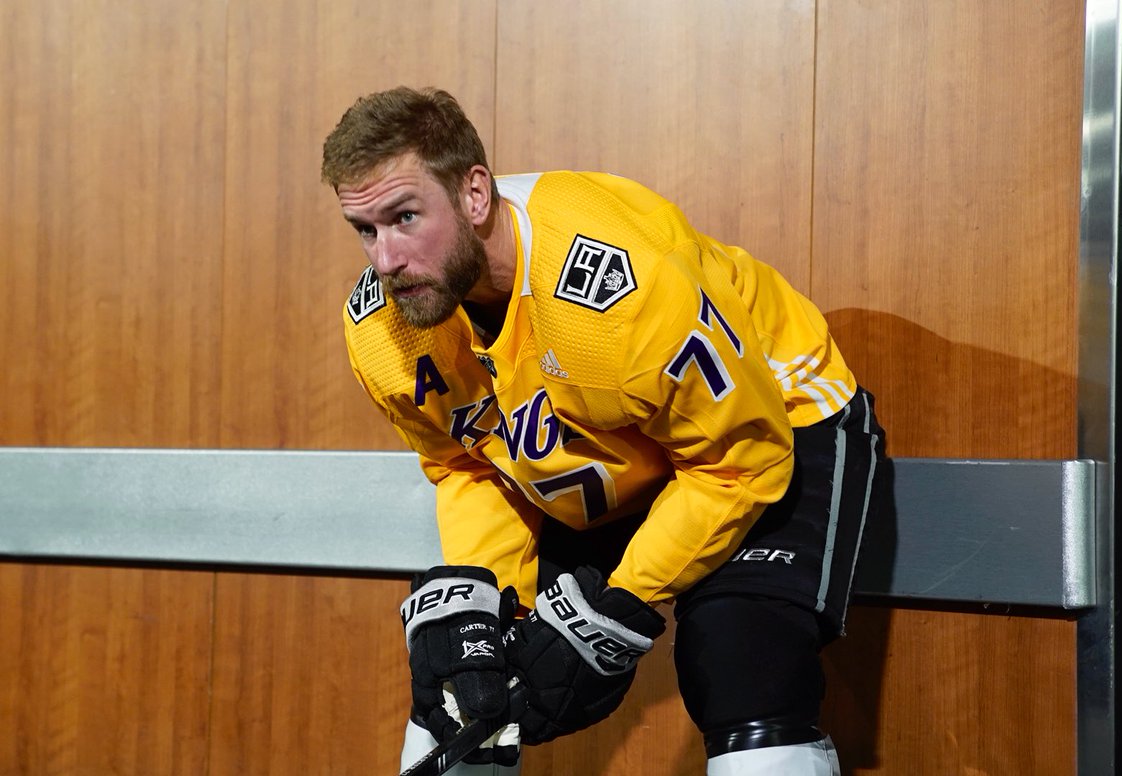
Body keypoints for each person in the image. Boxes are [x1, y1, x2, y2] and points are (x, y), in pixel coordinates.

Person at [321, 86, 884, 776]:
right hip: (608, 452)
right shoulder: (385, 330)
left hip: (766, 421)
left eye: (405, 217)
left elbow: (740, 463)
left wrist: (622, 607)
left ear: (474, 195)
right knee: (460, 690)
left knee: (743, 663)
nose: (385, 260)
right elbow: (466, 465)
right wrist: (484, 593)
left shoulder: (622, 289)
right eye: (365, 229)